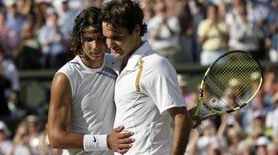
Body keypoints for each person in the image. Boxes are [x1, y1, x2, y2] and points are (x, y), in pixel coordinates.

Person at [101, 0, 192, 154]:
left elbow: (181, 118)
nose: (109, 44)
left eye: (117, 37)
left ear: (136, 30)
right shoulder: (116, 63)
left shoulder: (155, 65)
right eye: (106, 37)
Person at [47, 7, 134, 155]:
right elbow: (55, 138)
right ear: (80, 39)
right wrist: (106, 141)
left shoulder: (117, 63)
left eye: (101, 39)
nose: (96, 46)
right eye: (89, 39)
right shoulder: (65, 77)